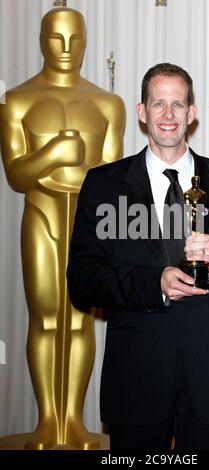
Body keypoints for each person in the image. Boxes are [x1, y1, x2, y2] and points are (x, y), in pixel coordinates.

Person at [67, 63, 209, 450]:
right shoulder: (104, 183)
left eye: (178, 104)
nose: (168, 115)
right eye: (159, 103)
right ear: (142, 112)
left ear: (192, 114)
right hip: (136, 373)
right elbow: (82, 278)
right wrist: (152, 283)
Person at [0, 7, 125, 449]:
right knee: (45, 319)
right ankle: (46, 421)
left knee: (81, 323)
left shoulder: (108, 104)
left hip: (89, 227)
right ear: (41, 39)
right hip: (41, 219)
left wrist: (60, 172)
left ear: (87, 40)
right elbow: (16, 175)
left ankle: (72, 420)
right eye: (57, 38)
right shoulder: (18, 100)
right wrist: (55, 152)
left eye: (75, 39)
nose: (67, 49)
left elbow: (112, 178)